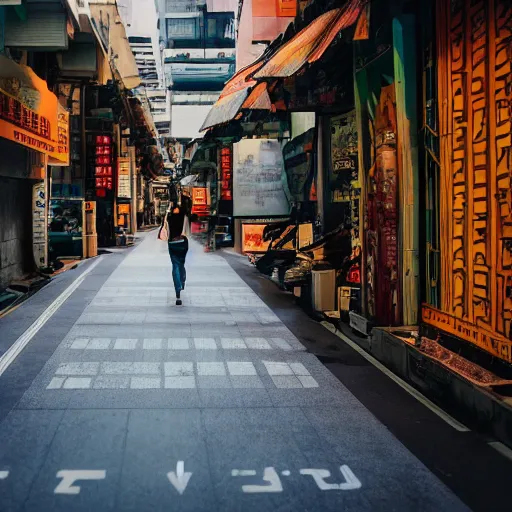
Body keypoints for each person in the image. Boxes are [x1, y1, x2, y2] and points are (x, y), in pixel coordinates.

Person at [162, 201, 188, 306]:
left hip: (172, 243)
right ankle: (182, 281)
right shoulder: (184, 217)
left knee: (175, 265)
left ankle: (178, 289)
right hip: (183, 243)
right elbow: (188, 231)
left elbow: (164, 227)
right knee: (181, 264)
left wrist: (168, 211)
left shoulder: (169, 218)